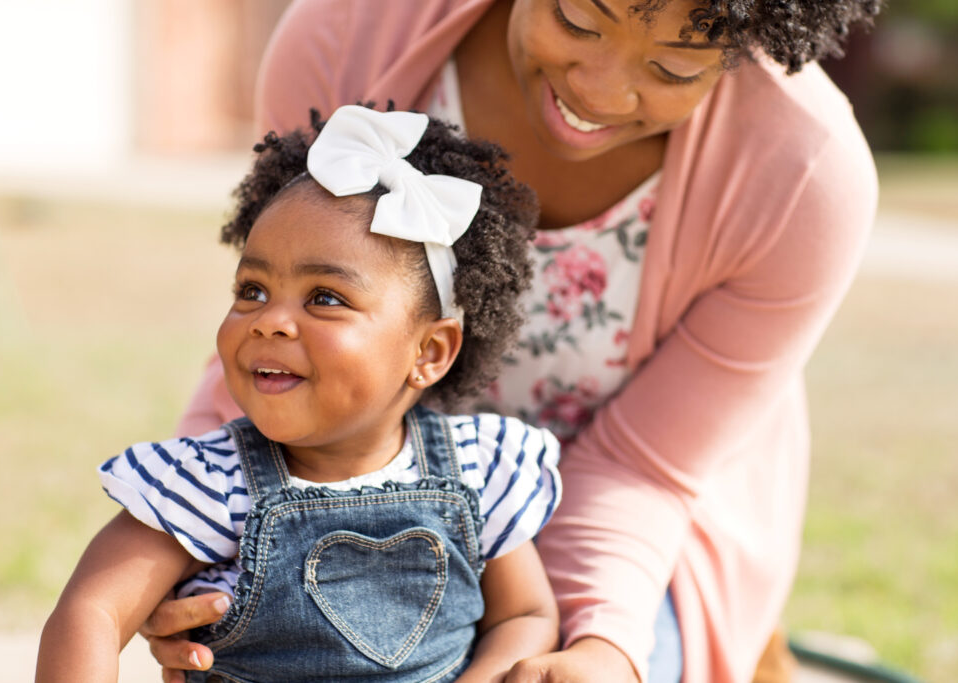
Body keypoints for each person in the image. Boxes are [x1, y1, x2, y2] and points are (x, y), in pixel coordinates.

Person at [143, 1, 882, 681]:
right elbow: (284, 331)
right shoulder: (349, 32)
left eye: (671, 68)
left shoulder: (806, 176)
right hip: (350, 468)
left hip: (639, 521)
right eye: (576, 17)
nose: (599, 89)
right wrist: (194, 543)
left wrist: (605, 646)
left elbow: (644, 468)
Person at [36, 105, 563, 682]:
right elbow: (93, 611)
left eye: (325, 298)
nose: (271, 321)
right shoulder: (211, 483)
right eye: (254, 290)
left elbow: (527, 614)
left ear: (429, 353)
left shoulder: (476, 469)